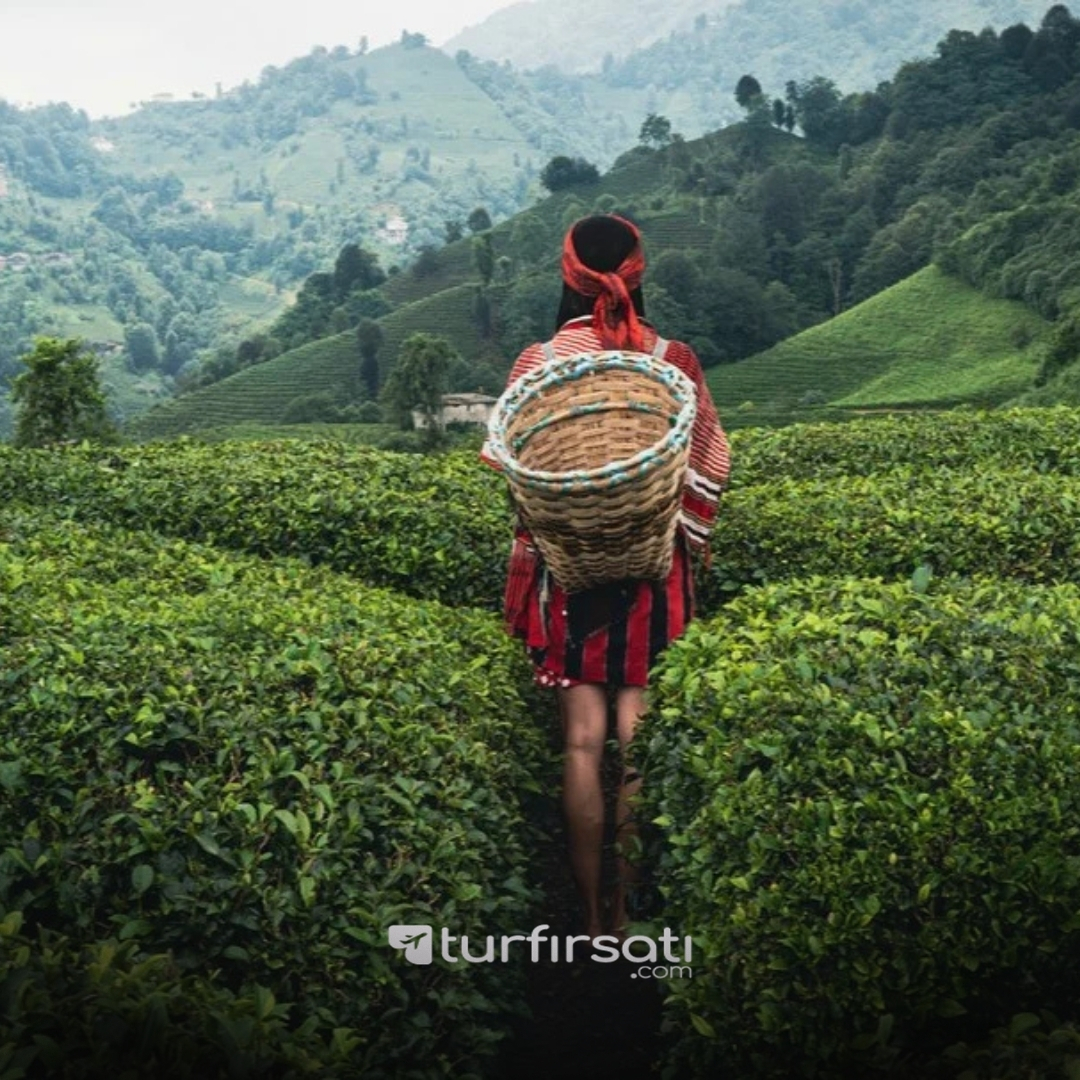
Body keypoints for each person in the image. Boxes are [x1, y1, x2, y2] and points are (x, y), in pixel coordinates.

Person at [481, 214, 731, 938]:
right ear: (637, 272)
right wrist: (668, 524)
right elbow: (710, 460)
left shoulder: (539, 360)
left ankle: (588, 917)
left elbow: (512, 465)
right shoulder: (671, 357)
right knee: (637, 731)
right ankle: (630, 911)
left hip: (570, 572)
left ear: (568, 276)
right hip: (655, 570)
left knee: (583, 741)